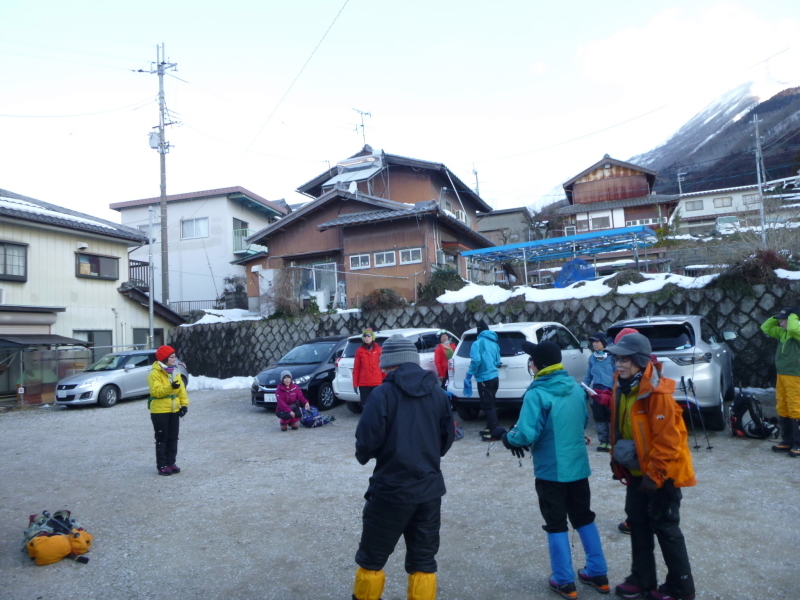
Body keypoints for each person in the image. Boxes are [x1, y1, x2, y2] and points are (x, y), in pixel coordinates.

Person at [497, 340, 608, 600]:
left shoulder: (536, 393)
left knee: (556, 522)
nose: (530, 363)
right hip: (578, 467)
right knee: (584, 517)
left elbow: (525, 433)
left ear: (538, 365)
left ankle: (564, 580)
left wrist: (507, 438)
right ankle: (598, 573)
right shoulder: (575, 387)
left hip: (550, 471)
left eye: (531, 360)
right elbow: (582, 421)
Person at [352, 334, 455, 600]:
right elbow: (446, 439)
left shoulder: (382, 394)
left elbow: (366, 440)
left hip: (391, 491)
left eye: (384, 365)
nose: (382, 370)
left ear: (390, 364)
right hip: (429, 490)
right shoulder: (438, 394)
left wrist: (366, 455)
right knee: (423, 561)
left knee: (372, 558)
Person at [605, 333, 696, 600]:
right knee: (638, 523)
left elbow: (669, 441)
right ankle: (642, 579)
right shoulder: (621, 386)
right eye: (617, 359)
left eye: (624, 359)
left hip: (663, 474)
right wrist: (618, 463)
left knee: (666, 528)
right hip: (637, 473)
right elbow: (621, 428)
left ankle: (681, 589)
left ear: (639, 361)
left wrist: (655, 475)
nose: (618, 364)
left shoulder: (657, 393)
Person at [760, 306, 800, 457]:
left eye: (783, 320)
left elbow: (795, 330)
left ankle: (798, 443)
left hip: (796, 375)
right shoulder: (782, 333)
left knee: (796, 406)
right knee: (783, 405)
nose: (780, 323)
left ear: (793, 321)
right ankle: (787, 440)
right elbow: (765, 327)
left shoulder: (796, 333)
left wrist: (794, 315)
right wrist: (779, 316)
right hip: (782, 375)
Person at [148, 345, 189, 476]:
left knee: (173, 437)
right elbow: (156, 392)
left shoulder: (175, 372)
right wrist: (170, 387)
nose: (174, 358)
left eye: (174, 356)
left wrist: (184, 405)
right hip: (160, 410)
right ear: (165, 359)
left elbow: (181, 390)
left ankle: (171, 462)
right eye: (172, 357)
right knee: (162, 437)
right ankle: (162, 464)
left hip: (173, 409)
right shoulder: (155, 373)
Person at [465, 320, 501, 441]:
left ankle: (495, 432)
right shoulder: (494, 343)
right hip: (495, 378)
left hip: (484, 379)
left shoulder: (477, 343)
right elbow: (497, 361)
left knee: (488, 405)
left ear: (478, 331)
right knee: (490, 403)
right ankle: (490, 427)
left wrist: (469, 375)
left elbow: (476, 361)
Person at [583, 331, 615, 453]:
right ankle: (603, 442)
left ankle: (612, 442)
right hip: (597, 391)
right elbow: (588, 375)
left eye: (597, 341)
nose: (594, 344)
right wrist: (584, 388)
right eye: (593, 342)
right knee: (600, 417)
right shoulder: (592, 358)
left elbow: (618, 374)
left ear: (603, 343)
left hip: (610, 391)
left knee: (611, 417)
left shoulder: (612, 357)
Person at [353, 328, 383, 408]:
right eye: (365, 336)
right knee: (365, 406)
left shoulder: (379, 350)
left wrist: (385, 381)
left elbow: (383, 367)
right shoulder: (359, 351)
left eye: (369, 335)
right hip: (364, 384)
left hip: (377, 383)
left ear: (372, 337)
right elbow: (356, 368)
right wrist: (355, 384)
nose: (367, 337)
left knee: (378, 405)